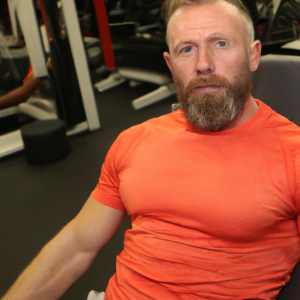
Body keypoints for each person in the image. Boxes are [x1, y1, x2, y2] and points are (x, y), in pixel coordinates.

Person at [2, 0, 300, 299]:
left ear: (253, 55)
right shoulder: (135, 140)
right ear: (171, 66)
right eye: (187, 49)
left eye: (221, 43)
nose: (204, 63)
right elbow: (77, 246)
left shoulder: (292, 154)